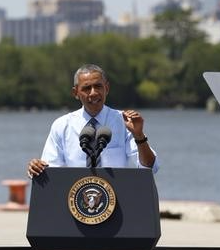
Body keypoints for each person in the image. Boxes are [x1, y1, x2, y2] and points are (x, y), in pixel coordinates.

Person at [27, 64, 158, 177]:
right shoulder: (62, 125)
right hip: (75, 201)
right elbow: (51, 170)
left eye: (98, 86)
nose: (93, 93)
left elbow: (150, 168)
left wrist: (139, 136)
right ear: (76, 93)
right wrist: (37, 168)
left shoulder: (124, 122)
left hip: (117, 198)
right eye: (86, 88)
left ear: (106, 88)